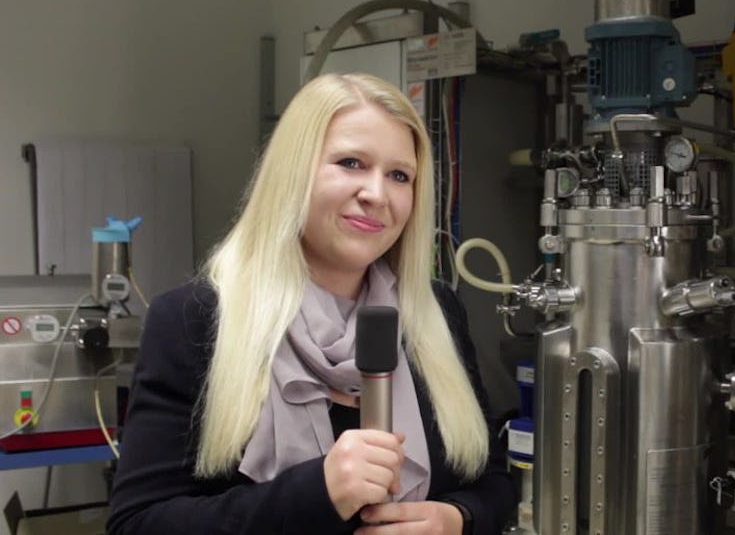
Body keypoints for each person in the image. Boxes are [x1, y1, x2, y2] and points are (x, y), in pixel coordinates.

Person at [107, 72, 515, 534]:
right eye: (351, 163)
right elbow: (137, 524)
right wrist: (318, 493)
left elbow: (493, 480)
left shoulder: (435, 313)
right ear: (293, 172)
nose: (377, 194)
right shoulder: (196, 320)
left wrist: (456, 519)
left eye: (399, 175)